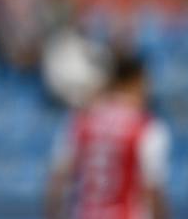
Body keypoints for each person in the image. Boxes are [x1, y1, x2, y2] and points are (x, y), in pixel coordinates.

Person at [46, 54, 170, 219]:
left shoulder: (81, 120)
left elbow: (58, 179)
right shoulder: (145, 127)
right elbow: (153, 189)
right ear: (137, 81)